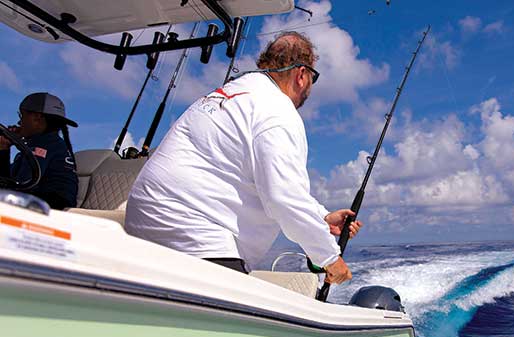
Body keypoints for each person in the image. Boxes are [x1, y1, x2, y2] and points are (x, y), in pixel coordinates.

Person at [125, 32, 361, 283]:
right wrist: (329, 258)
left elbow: (254, 177)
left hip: (141, 228)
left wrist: (322, 218)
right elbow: (283, 197)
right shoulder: (277, 111)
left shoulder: (228, 93)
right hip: (193, 239)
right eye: (313, 77)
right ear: (302, 75)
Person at [0, 92, 78, 209]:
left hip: (53, 207)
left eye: (22, 116)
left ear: (37, 118)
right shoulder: (46, 145)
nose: (19, 123)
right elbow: (6, 181)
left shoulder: (42, 147)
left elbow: (20, 185)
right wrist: (4, 148)